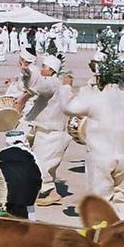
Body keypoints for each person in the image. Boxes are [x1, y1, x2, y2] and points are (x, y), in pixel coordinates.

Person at [64, 58, 124, 216]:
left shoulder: (93, 96)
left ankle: (103, 233)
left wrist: (67, 87)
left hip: (100, 157)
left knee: (100, 199)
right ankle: (123, 229)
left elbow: (69, 108)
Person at [26, 55, 73, 206]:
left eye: (44, 67)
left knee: (42, 164)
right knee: (47, 164)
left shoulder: (53, 83)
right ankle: (46, 191)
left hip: (51, 133)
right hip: (47, 130)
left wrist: (29, 72)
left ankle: (51, 192)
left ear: (52, 70)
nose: (42, 69)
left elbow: (41, 86)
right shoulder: (55, 83)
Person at [0, 129, 42, 219]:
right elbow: (38, 177)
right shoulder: (31, 154)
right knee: (29, 213)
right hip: (26, 198)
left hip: (5, 197)